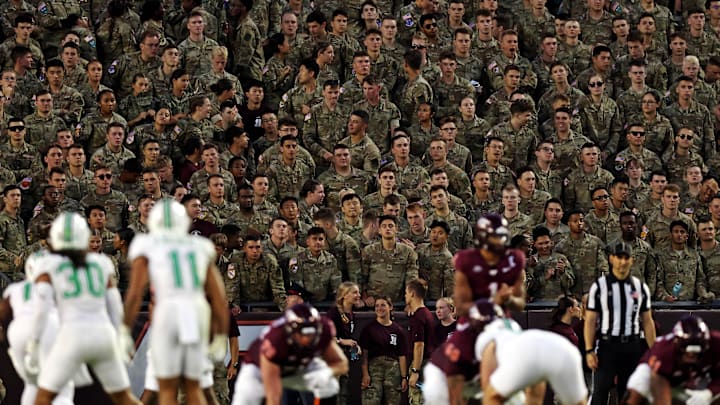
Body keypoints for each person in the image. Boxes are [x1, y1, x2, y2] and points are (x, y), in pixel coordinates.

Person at [25, 213, 141, 405]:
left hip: (71, 336)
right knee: (123, 398)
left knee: (43, 398)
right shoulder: (101, 263)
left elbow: (41, 311)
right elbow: (115, 308)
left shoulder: (48, 264)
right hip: (102, 335)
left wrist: (34, 344)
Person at [123, 199, 229, 405]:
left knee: (167, 388)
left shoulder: (147, 244)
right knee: (193, 385)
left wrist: (123, 329)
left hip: (168, 308)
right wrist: (221, 333)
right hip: (195, 310)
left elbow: (135, 294)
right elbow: (218, 297)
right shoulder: (199, 245)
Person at [231, 303, 349, 405]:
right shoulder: (275, 339)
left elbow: (341, 363)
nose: (306, 338)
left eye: (310, 331)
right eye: (302, 331)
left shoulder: (323, 330)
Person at [475, 300, 588, 405]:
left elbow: (488, 389)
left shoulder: (489, 338)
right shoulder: (491, 336)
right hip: (555, 358)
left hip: (549, 358)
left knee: (493, 396)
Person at [584, 241, 657, 405]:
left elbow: (647, 320)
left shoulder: (639, 286)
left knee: (630, 395)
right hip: (607, 345)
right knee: (600, 392)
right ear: (611, 259)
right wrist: (589, 350)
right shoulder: (600, 286)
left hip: (632, 345)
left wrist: (654, 351)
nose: (623, 262)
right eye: (619, 257)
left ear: (632, 260)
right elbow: (590, 320)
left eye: (626, 258)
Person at [625, 316, 720, 405]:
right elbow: (659, 383)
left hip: (702, 375)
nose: (691, 357)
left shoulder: (716, 344)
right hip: (661, 372)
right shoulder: (663, 351)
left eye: (696, 354)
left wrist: (710, 392)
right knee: (638, 387)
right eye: (688, 353)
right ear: (677, 344)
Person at [452, 213, 527, 317]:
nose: (500, 241)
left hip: (500, 322)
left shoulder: (514, 259)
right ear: (483, 237)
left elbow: (520, 305)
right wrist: (491, 303)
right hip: (472, 324)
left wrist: (508, 299)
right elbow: (460, 308)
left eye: (502, 235)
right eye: (496, 236)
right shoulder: (467, 260)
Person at [360, 295, 409, 405]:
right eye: (377, 306)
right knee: (370, 401)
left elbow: (402, 355)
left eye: (383, 305)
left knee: (394, 401)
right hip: (374, 370)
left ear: (390, 307)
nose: (379, 308)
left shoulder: (398, 330)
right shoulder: (369, 329)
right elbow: (364, 355)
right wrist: (365, 374)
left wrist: (404, 377)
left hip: (393, 369)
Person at [326, 281, 363, 404]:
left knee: (344, 394)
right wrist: (342, 341)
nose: (359, 295)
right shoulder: (333, 313)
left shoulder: (351, 314)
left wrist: (354, 346)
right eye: (355, 292)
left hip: (344, 360)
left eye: (359, 292)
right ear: (344, 295)